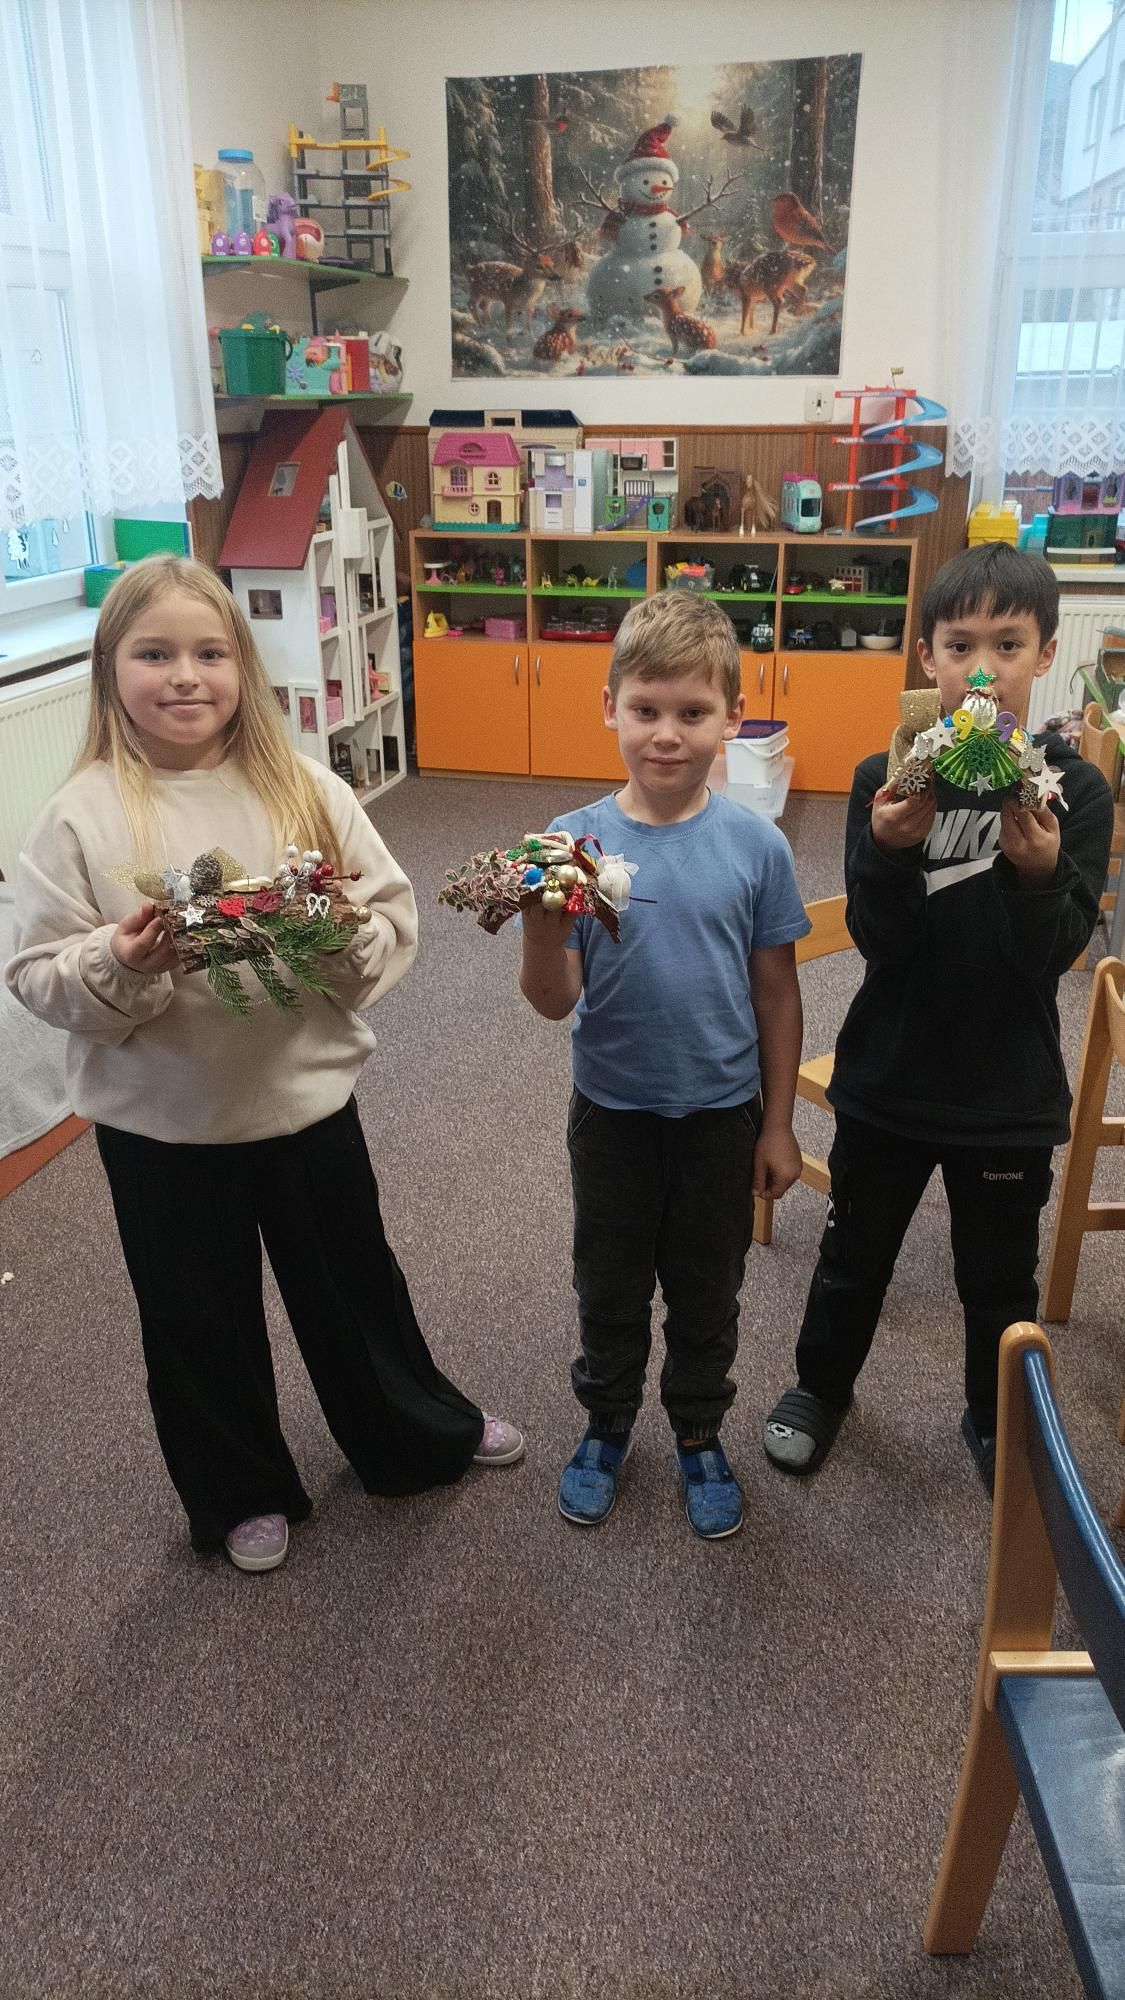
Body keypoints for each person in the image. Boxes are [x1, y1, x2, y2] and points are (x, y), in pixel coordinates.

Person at [6, 556, 523, 1573]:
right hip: (161, 1125)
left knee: (355, 1289)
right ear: (111, 671)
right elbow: (35, 974)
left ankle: (412, 1431)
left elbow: (388, 917)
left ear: (243, 666)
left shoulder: (304, 786)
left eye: (209, 652)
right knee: (196, 1318)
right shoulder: (79, 814)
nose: (184, 676)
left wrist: (340, 933)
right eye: (154, 654)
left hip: (304, 1102)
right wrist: (120, 960)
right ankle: (238, 1486)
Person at [763, 543, 1114, 1494]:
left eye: (1007, 645)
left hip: (1006, 1089)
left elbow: (1053, 957)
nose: (981, 671)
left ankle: (995, 1415)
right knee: (851, 1254)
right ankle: (820, 1387)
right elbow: (878, 939)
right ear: (927, 658)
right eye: (960, 647)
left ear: (1045, 654)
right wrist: (884, 850)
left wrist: (1038, 874)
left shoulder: (1074, 791)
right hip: (890, 1071)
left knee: (997, 1280)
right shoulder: (885, 776)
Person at [518, 591, 809, 1540]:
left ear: (733, 716)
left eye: (693, 712)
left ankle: (696, 1430)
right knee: (607, 1285)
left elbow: (776, 994)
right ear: (609, 707)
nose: (667, 734)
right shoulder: (572, 843)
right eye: (645, 709)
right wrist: (540, 926)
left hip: (721, 1117)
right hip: (612, 1112)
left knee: (707, 1289)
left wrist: (777, 1122)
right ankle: (606, 1422)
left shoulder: (757, 846)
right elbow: (553, 999)